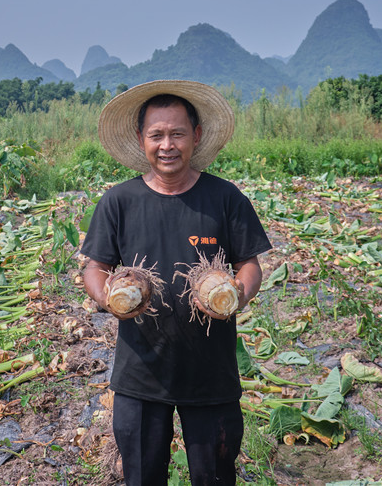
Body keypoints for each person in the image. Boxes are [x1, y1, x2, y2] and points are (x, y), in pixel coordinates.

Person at [80, 80, 272, 486]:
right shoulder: (119, 201)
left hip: (211, 375)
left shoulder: (225, 197)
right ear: (141, 139)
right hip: (140, 376)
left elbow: (250, 264)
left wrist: (235, 293)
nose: (167, 145)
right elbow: (94, 267)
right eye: (157, 135)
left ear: (196, 136)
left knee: (215, 479)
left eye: (177, 134)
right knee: (143, 479)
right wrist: (109, 297)